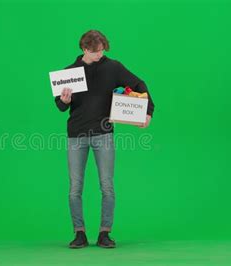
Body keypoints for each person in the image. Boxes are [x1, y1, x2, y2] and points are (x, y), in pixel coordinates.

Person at [54, 30, 155, 248]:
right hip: (76, 136)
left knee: (107, 186)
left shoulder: (114, 67)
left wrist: (148, 111)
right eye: (96, 52)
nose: (100, 54)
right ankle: (79, 233)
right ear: (84, 49)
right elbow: (61, 106)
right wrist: (64, 100)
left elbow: (139, 84)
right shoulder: (69, 73)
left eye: (102, 50)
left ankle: (104, 233)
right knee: (75, 188)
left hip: (104, 134)